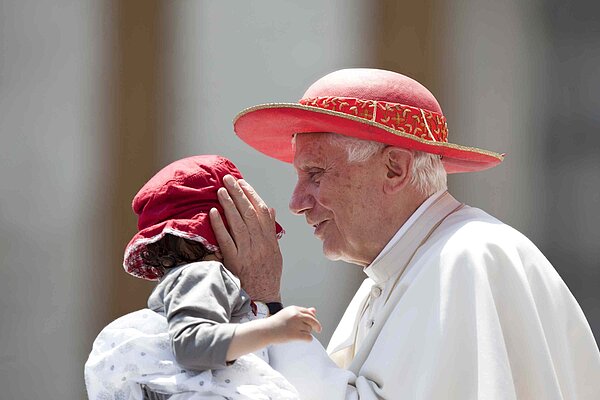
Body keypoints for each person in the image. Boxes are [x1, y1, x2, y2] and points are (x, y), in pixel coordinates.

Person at [209, 69, 600, 399]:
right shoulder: (397, 272)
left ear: (395, 169)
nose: (296, 202)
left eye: (315, 174)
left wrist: (266, 302)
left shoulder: (466, 259)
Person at [84, 155, 321, 400]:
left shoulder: (186, 284)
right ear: (224, 235)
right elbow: (193, 346)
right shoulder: (203, 274)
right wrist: (273, 328)